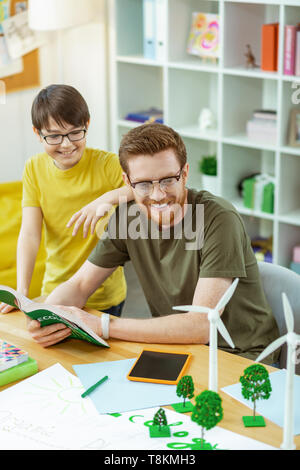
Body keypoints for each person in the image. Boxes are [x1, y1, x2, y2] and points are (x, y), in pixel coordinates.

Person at [27, 123, 279, 364]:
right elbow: (80, 285)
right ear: (127, 182)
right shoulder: (127, 218)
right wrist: (45, 316)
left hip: (242, 355)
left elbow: (202, 324)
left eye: (168, 179)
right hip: (181, 348)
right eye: (144, 184)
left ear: (185, 173)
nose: (158, 195)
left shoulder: (218, 219)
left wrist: (104, 325)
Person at [0, 84, 132, 319]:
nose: (67, 144)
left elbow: (142, 187)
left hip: (102, 295)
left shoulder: (107, 163)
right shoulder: (34, 169)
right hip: (55, 290)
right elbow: (30, 234)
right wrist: (22, 292)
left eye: (75, 132)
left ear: (87, 125)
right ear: (37, 133)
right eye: (54, 136)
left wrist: (105, 198)